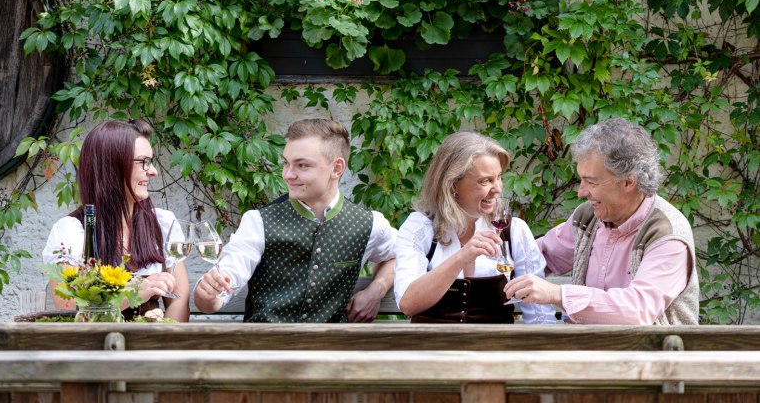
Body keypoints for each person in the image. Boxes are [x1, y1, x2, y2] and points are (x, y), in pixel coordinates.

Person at [193, 118, 397, 323]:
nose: (288, 175)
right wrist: (208, 295)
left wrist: (376, 290)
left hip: (331, 350)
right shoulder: (259, 222)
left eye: (302, 165)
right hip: (265, 349)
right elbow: (216, 295)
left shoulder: (369, 225)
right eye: (286, 163)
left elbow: (400, 256)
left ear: (337, 168)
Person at [504, 117, 699, 325]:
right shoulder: (588, 217)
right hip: (590, 352)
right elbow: (536, 257)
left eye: (591, 182)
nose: (581, 192)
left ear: (628, 182)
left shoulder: (666, 233)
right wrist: (478, 256)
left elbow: (638, 310)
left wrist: (559, 294)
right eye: (581, 179)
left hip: (652, 354)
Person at [394, 131, 557, 324]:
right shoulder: (420, 228)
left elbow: (539, 314)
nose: (498, 188)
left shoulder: (513, 231)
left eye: (499, 177)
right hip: (432, 349)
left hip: (494, 350)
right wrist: (462, 257)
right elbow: (407, 303)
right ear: (453, 184)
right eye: (485, 180)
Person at [42, 120, 190, 322]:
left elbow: (179, 303)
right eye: (143, 162)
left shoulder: (163, 223)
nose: (153, 171)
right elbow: (70, 310)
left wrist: (165, 345)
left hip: (152, 349)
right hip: (95, 350)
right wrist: (136, 291)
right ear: (112, 167)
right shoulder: (71, 232)